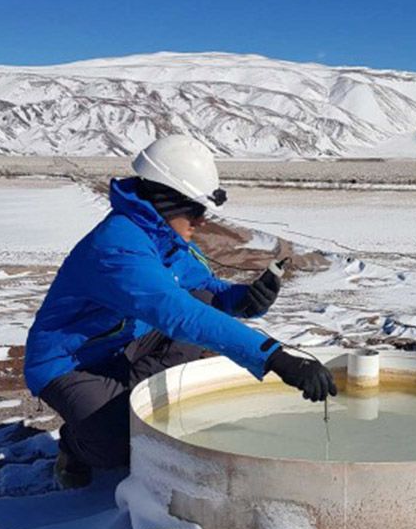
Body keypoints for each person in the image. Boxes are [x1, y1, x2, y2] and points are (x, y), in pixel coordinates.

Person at [24, 135, 337, 487]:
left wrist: (243, 299)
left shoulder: (163, 238)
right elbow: (179, 315)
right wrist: (274, 357)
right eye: (196, 209)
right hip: (71, 362)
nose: (203, 221)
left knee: (198, 306)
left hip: (128, 343)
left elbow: (205, 289)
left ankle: (129, 404)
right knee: (118, 446)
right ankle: (76, 445)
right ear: (167, 201)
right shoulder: (119, 249)